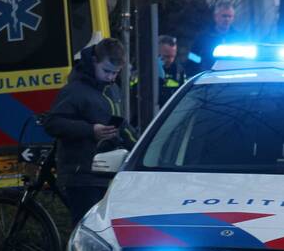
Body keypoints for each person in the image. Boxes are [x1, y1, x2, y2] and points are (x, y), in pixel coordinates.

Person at [43, 38, 138, 225]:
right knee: (88, 229)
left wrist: (139, 146)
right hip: (82, 174)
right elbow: (52, 123)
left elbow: (121, 125)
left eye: (115, 73)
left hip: (105, 172)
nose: (111, 77)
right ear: (94, 61)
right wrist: (90, 130)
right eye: (106, 71)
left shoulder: (111, 89)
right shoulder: (74, 90)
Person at [188, 1, 239, 76]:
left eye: (230, 16)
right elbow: (193, 56)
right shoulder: (203, 37)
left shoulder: (239, 37)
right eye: (224, 16)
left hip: (233, 75)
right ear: (216, 17)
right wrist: (200, 68)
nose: (227, 19)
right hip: (209, 76)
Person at [158, 35, 186, 103]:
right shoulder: (146, 69)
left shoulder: (179, 71)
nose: (170, 60)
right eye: (166, 56)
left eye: (173, 56)